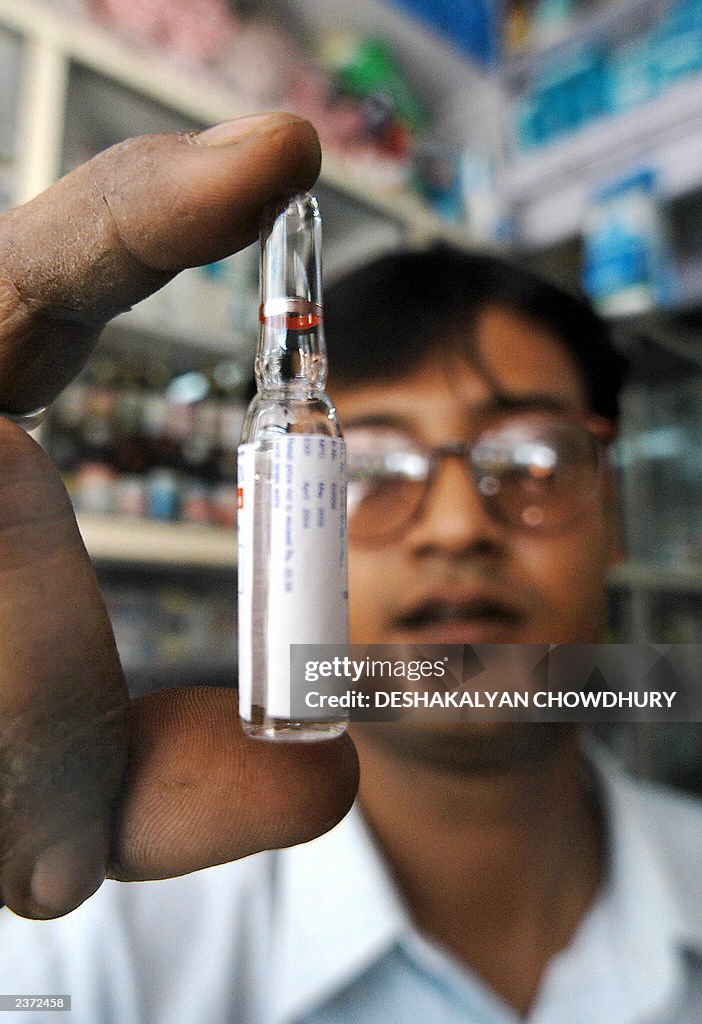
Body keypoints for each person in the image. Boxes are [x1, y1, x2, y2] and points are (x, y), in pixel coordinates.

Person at [0, 114, 699, 1023]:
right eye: (367, 469)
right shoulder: (88, 954)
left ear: (610, 511)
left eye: (528, 460)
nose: (456, 528)